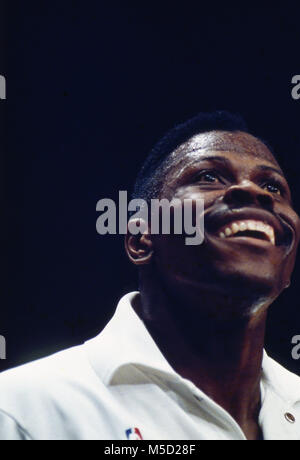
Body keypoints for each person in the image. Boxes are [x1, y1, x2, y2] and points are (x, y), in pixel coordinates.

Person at [1, 111, 300, 440]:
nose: (254, 192)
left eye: (272, 186)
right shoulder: (23, 412)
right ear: (142, 239)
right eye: (209, 177)